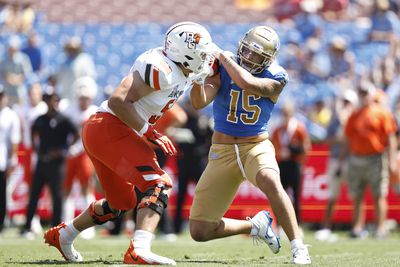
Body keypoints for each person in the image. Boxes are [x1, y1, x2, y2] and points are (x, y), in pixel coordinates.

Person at [43, 21, 215, 265]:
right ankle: (139, 249)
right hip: (110, 128)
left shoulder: (181, 69)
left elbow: (198, 103)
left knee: (120, 203)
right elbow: (117, 101)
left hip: (111, 131)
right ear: (183, 52)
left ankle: (64, 234)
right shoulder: (160, 68)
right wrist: (150, 132)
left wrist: (200, 79)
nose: (205, 58)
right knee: (159, 184)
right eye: (201, 53)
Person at [189, 26, 311, 265]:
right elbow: (198, 102)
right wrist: (197, 77)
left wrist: (223, 57)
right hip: (222, 151)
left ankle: (298, 245)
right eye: (246, 50)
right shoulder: (224, 67)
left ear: (267, 59)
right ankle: (255, 226)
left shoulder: (277, 76)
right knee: (199, 231)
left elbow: (248, 83)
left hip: (255, 147)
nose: (248, 56)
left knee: (269, 179)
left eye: (256, 54)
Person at [21, 90, 79, 238]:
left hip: (57, 164)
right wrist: (36, 150)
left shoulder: (63, 119)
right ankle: (27, 226)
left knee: (57, 195)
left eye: (54, 100)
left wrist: (64, 150)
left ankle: (56, 227)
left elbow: (77, 134)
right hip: (42, 162)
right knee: (34, 194)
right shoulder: (40, 119)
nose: (51, 103)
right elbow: (32, 133)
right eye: (48, 99)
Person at [344, 82, 397, 239]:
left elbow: (391, 138)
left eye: (366, 93)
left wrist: (392, 160)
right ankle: (358, 228)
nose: (364, 96)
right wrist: (344, 158)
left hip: (376, 158)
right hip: (356, 158)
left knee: (379, 194)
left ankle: (381, 228)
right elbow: (348, 138)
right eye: (361, 93)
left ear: (371, 94)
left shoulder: (382, 113)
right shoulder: (354, 115)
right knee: (357, 195)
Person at [314, 89, 358, 241]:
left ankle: (357, 228)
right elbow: (327, 140)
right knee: (332, 196)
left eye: (348, 102)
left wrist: (344, 133)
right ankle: (326, 228)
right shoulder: (335, 120)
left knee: (356, 197)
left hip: (352, 160)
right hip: (335, 159)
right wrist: (340, 138)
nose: (345, 105)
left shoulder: (357, 118)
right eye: (344, 102)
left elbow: (354, 139)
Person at [61, 77, 98, 239]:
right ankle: (66, 223)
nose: (84, 100)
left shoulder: (94, 111)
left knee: (86, 188)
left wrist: (77, 148)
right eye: (82, 97)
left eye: (86, 97)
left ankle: (88, 225)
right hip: (69, 155)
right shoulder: (68, 110)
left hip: (86, 155)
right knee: (66, 189)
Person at [271, 102, 311, 225]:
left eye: (287, 113)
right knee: (280, 194)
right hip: (282, 164)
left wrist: (298, 156)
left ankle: (297, 224)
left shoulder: (299, 128)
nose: (285, 116)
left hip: (295, 164)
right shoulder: (278, 129)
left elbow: (305, 147)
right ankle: (279, 223)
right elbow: (273, 146)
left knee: (296, 195)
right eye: (284, 113)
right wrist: (280, 154)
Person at [0, 86, 21, 232]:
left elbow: (14, 139)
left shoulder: (10, 115)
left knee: (2, 193)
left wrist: (12, 159)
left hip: (2, 159)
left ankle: (1, 222)